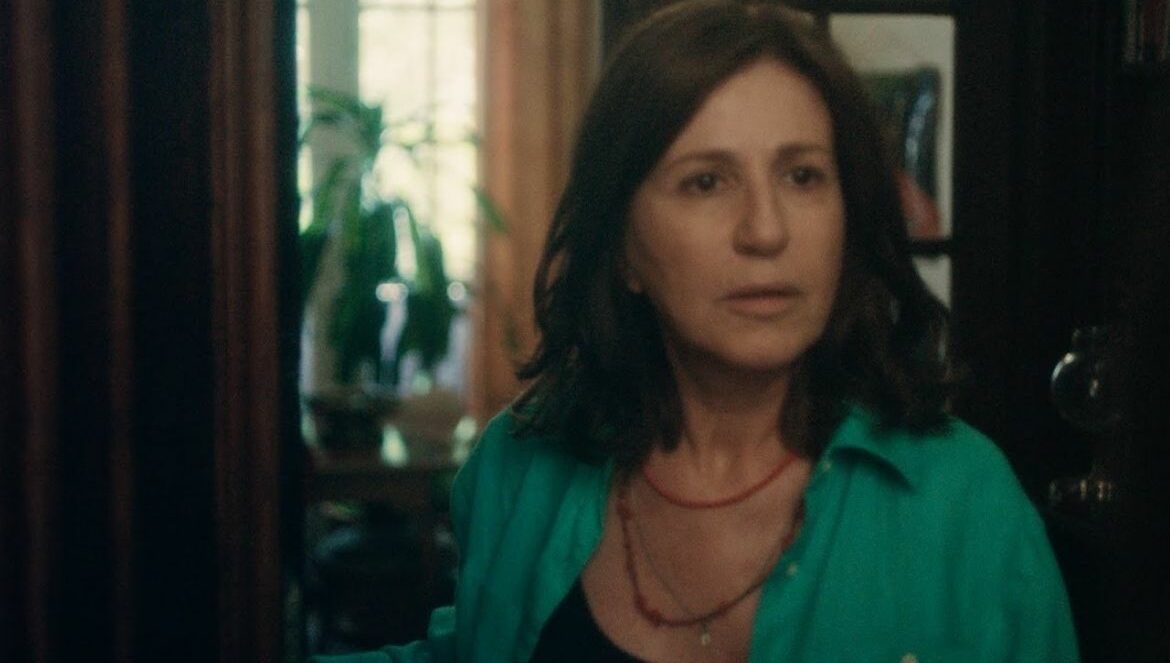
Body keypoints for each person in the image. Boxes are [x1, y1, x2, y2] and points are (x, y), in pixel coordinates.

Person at [317, 1, 1079, 660]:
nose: (766, 230)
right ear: (623, 247)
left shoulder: (967, 507)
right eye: (706, 181)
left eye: (802, 175)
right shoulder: (517, 467)